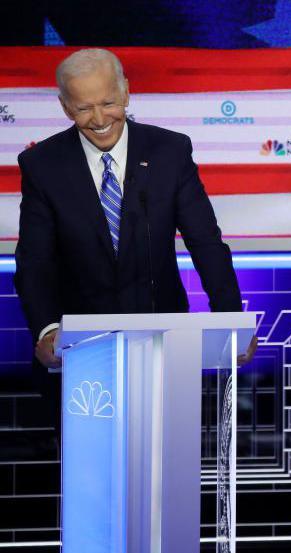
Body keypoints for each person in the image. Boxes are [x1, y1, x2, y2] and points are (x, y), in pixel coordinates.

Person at [15, 48, 255, 382]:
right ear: (65, 106)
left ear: (126, 91)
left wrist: (229, 320)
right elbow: (34, 260)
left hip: (164, 340)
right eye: (84, 108)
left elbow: (206, 243)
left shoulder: (170, 152)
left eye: (108, 103)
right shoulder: (43, 165)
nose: (99, 120)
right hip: (80, 350)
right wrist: (47, 330)